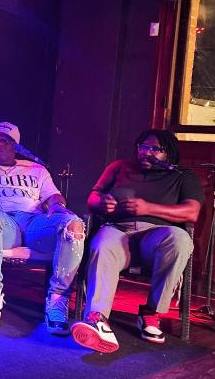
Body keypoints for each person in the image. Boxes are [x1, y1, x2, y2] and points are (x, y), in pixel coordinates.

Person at [71, 129, 203, 353]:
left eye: (154, 149)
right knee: (102, 245)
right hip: (118, 231)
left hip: (157, 235)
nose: (146, 152)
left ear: (168, 153)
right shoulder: (119, 167)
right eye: (143, 147)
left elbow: (192, 212)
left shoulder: (183, 176)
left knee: (180, 240)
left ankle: (151, 313)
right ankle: (97, 318)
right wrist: (102, 203)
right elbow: (93, 196)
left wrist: (149, 208)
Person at [0, 122, 84, 332]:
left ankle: (57, 300)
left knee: (74, 224)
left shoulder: (37, 170)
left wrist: (58, 207)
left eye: (5, 141)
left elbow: (53, 196)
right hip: (3, 222)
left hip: (34, 223)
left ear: (16, 146)